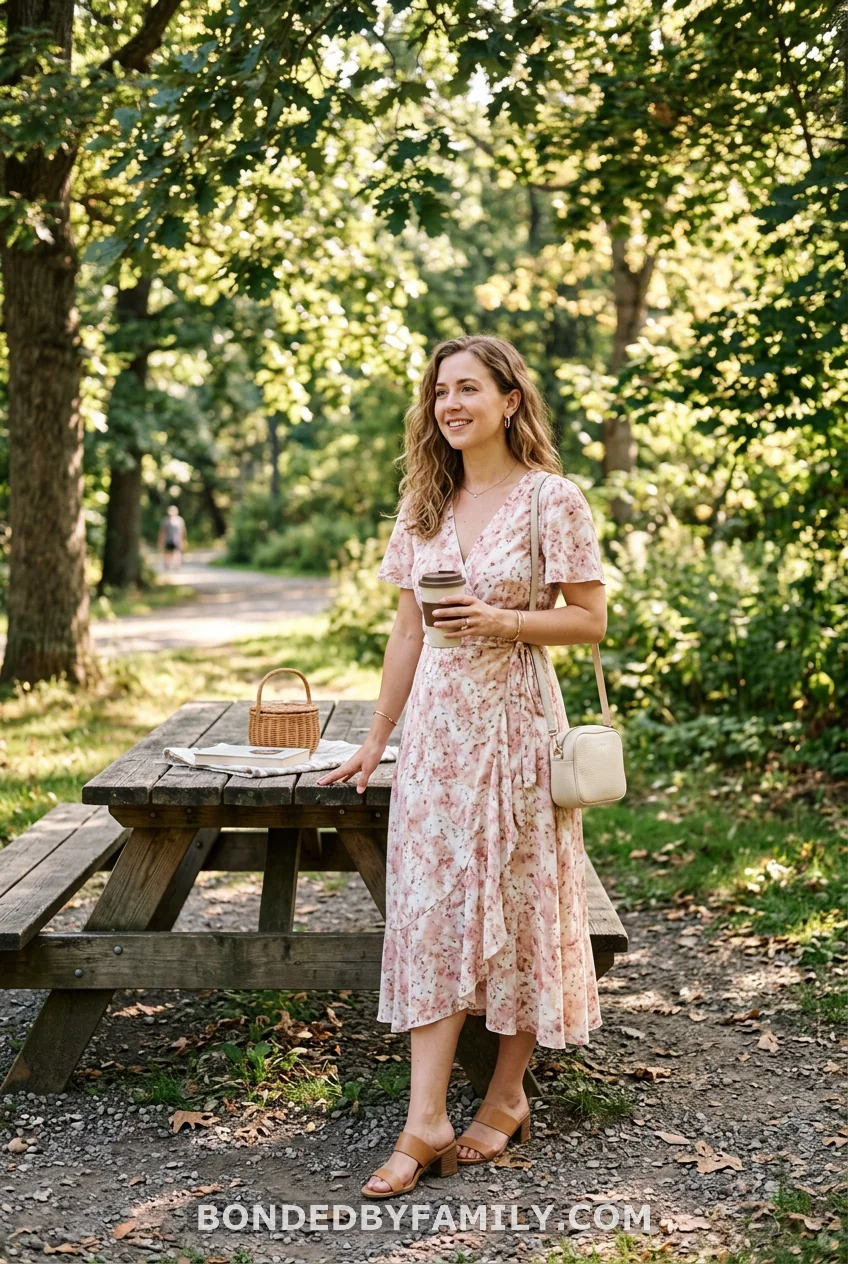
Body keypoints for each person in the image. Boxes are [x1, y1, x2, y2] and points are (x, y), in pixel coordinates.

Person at [317, 334, 608, 1199]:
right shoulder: (424, 502)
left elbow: (589, 620)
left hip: (518, 724)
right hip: (438, 739)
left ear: (509, 401)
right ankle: (427, 1119)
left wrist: (503, 620)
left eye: (469, 388)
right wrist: (378, 739)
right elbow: (407, 630)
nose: (451, 403)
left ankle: (508, 1093)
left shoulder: (552, 499)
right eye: (441, 390)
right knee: (432, 913)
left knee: (521, 903)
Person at [158, 505, 187, 571]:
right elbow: (162, 531)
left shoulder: (179, 520)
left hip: (177, 539)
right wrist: (161, 541)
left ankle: (176, 565)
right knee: (167, 552)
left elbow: (182, 531)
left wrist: (183, 540)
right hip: (168, 539)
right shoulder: (165, 520)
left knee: (177, 552)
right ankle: (167, 565)